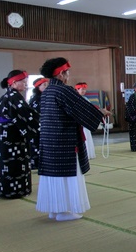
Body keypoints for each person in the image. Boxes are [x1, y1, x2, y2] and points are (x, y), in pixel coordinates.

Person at [35, 58, 109, 221]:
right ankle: (63, 211)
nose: (68, 75)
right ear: (62, 73)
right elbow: (80, 108)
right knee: (67, 174)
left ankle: (54, 209)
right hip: (64, 141)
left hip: (49, 141)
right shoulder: (63, 91)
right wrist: (101, 113)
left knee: (52, 176)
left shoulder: (47, 91)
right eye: (67, 72)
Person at [0, 70, 40, 198]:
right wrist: (40, 121)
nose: (25, 84)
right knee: (14, 162)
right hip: (12, 134)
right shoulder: (13, 97)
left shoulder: (7, 96)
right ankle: (16, 190)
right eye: (23, 81)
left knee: (8, 163)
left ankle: (8, 189)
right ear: (14, 83)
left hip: (6, 133)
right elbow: (26, 115)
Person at [28, 77, 49, 169]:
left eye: (46, 85)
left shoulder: (45, 96)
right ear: (38, 87)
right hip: (37, 125)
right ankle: (35, 163)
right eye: (44, 85)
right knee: (36, 144)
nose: (46, 87)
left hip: (44, 124)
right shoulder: (35, 99)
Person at [75, 82, 96, 159]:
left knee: (87, 135)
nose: (84, 91)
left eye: (85, 89)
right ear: (77, 89)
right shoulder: (75, 99)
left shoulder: (86, 99)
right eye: (82, 89)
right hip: (79, 121)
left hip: (86, 120)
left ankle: (88, 153)